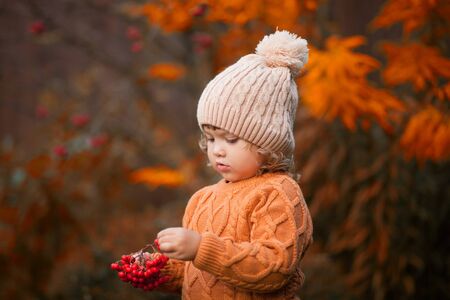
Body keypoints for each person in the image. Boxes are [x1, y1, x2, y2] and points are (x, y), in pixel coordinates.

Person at [156, 30, 313, 299]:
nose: (217, 150)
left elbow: (274, 267)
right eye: (211, 138)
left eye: (230, 139)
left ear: (267, 142)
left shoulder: (277, 194)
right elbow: (200, 274)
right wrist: (164, 271)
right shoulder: (202, 199)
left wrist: (200, 248)